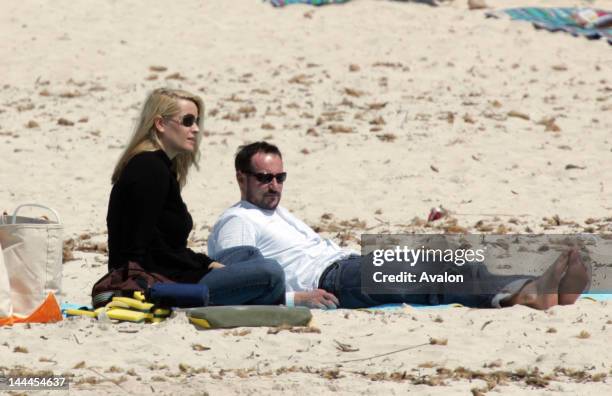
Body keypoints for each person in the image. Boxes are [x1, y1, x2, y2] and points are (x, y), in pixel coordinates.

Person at [207, 141, 590, 309]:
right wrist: (295, 300)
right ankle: (526, 294)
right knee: (438, 272)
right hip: (334, 280)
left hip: (348, 266)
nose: (274, 185)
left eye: (280, 177)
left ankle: (533, 288)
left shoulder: (273, 212)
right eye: (264, 178)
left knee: (451, 258)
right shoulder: (237, 221)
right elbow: (242, 282)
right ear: (242, 178)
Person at [105, 90, 284, 306]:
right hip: (160, 284)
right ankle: (283, 299)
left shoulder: (159, 167)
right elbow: (140, 253)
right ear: (160, 123)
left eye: (197, 121)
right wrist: (202, 268)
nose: (196, 129)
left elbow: (166, 247)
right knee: (271, 272)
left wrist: (207, 264)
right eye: (188, 121)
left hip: (172, 273)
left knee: (249, 255)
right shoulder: (148, 169)